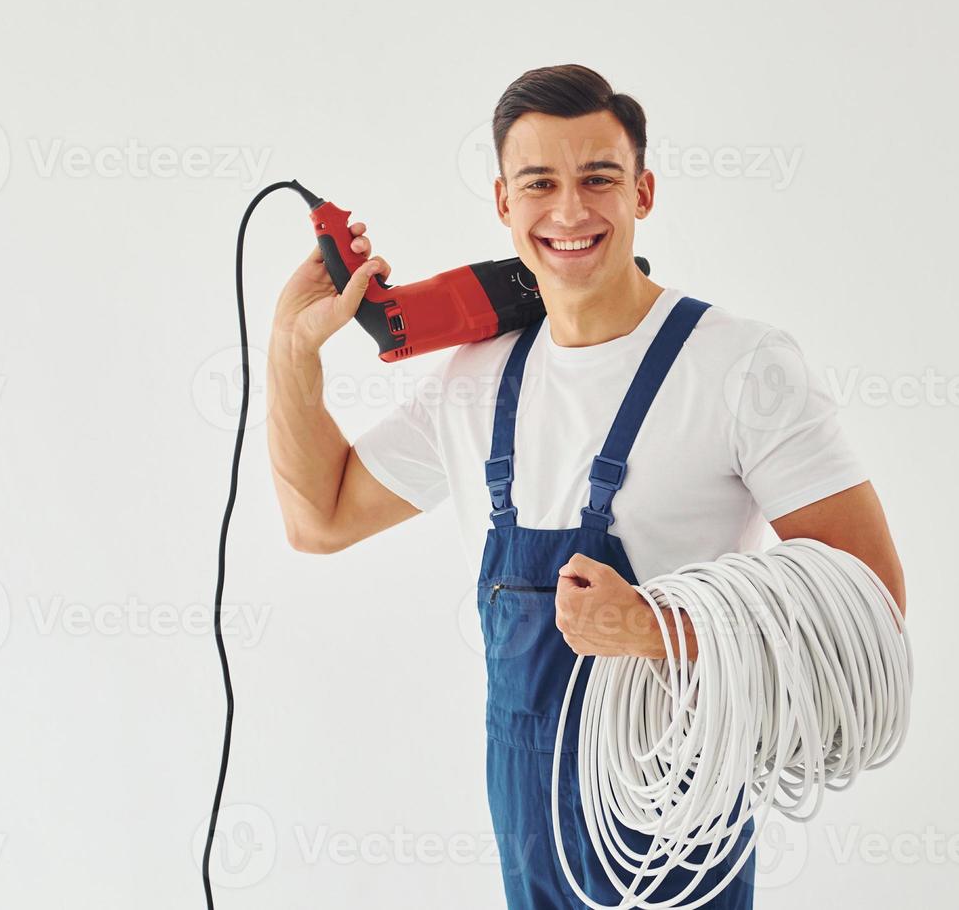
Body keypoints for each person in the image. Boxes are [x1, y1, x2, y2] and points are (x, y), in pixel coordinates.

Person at [265, 64, 905, 909]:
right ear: (503, 204)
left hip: (675, 820)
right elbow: (320, 518)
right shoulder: (475, 379)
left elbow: (871, 600)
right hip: (527, 821)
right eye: (540, 184)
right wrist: (290, 349)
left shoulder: (741, 365)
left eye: (598, 178)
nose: (570, 212)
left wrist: (653, 628)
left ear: (642, 191)